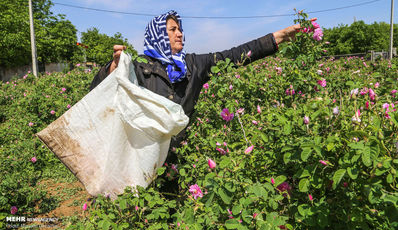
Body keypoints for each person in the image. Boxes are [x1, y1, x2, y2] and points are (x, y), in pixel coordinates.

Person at [90, 10, 302, 149]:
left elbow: (235, 55)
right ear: (158, 35)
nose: (180, 33)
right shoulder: (137, 65)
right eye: (173, 29)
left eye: (180, 29)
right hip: (144, 152)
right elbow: (98, 93)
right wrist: (113, 69)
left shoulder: (193, 64)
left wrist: (277, 38)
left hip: (181, 153)